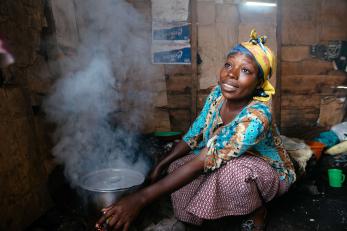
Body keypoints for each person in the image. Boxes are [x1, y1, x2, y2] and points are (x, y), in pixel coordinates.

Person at [96, 30, 296, 231]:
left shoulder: (257, 117)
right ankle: (202, 217)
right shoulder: (218, 94)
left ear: (259, 83)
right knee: (176, 167)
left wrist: (139, 199)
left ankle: (257, 211)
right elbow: (196, 132)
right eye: (228, 64)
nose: (231, 74)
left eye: (245, 71)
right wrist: (161, 164)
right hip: (224, 159)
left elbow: (204, 160)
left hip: (269, 173)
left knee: (230, 173)